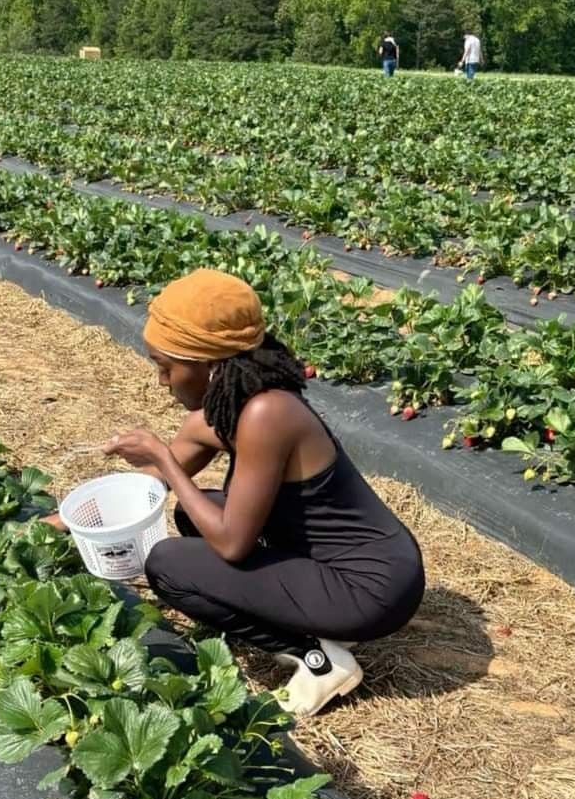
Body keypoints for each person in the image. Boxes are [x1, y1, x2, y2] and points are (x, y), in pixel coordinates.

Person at [94, 269, 425, 717]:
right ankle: (314, 621)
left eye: (165, 367)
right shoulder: (239, 403)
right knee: (198, 515)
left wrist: (162, 458)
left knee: (169, 563)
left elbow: (232, 544)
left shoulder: (267, 414)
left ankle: (318, 658)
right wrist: (63, 522)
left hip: (369, 588)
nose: (161, 381)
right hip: (333, 561)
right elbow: (152, 487)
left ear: (207, 363)